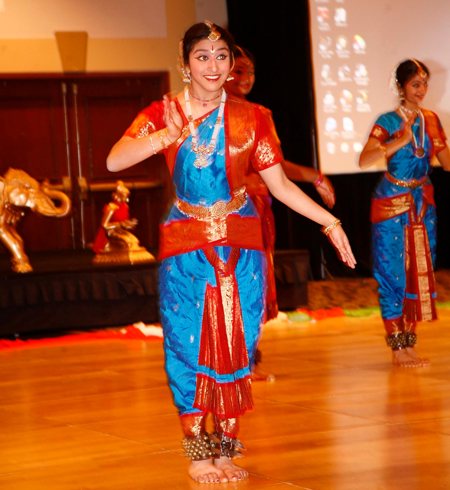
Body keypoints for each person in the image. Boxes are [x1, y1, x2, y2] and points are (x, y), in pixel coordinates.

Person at [107, 21, 356, 484]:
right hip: (186, 244)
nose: (214, 66)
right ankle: (198, 453)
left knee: (240, 344)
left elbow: (279, 185)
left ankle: (225, 450)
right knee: (186, 344)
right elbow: (114, 159)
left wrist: (330, 221)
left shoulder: (253, 116)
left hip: (242, 245)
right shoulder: (163, 111)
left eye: (221, 56)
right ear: (185, 64)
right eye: (202, 57)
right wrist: (167, 135)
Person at [225, 46, 336, 381]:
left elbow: (277, 167)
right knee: (221, 285)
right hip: (218, 213)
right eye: (238, 71)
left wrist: (315, 176)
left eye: (250, 72)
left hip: (257, 211)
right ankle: (223, 365)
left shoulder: (260, 114)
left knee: (252, 285)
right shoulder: (202, 112)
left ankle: (247, 362)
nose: (246, 79)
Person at [359, 59, 450, 368]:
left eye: (424, 83)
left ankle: (409, 344)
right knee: (392, 273)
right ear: (401, 86)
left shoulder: (432, 119)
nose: (421, 90)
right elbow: (364, 159)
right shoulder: (387, 120)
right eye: (415, 84)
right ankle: (397, 349)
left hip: (422, 203)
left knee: (418, 272)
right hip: (391, 203)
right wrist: (401, 140)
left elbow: (446, 162)